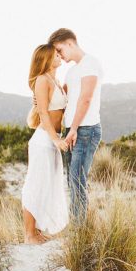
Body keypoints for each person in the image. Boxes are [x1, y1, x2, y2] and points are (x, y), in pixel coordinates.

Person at [49, 27, 103, 222]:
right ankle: (77, 224)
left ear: (69, 43)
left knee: (77, 180)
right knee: (72, 181)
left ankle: (80, 232)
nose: (60, 56)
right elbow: (65, 97)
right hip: (72, 130)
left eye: (60, 50)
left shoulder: (90, 63)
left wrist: (73, 129)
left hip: (85, 130)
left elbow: (85, 100)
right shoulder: (72, 71)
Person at [21, 43, 70, 243]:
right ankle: (29, 234)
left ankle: (39, 230)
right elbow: (43, 113)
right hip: (44, 140)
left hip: (52, 141)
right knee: (35, 184)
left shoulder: (55, 80)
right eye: (55, 54)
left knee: (48, 185)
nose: (59, 56)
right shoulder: (42, 80)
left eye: (59, 54)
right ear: (47, 58)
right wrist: (56, 139)